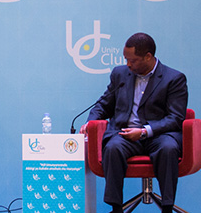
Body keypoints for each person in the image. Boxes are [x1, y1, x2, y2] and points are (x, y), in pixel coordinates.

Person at [80, 33, 188, 213]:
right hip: (125, 134)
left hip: (158, 135)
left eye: (133, 60)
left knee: (168, 148)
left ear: (148, 56)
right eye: (126, 59)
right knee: (113, 147)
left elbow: (176, 117)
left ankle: (167, 208)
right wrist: (90, 122)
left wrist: (145, 131)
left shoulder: (174, 79)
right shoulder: (120, 74)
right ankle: (116, 208)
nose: (128, 64)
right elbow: (104, 104)